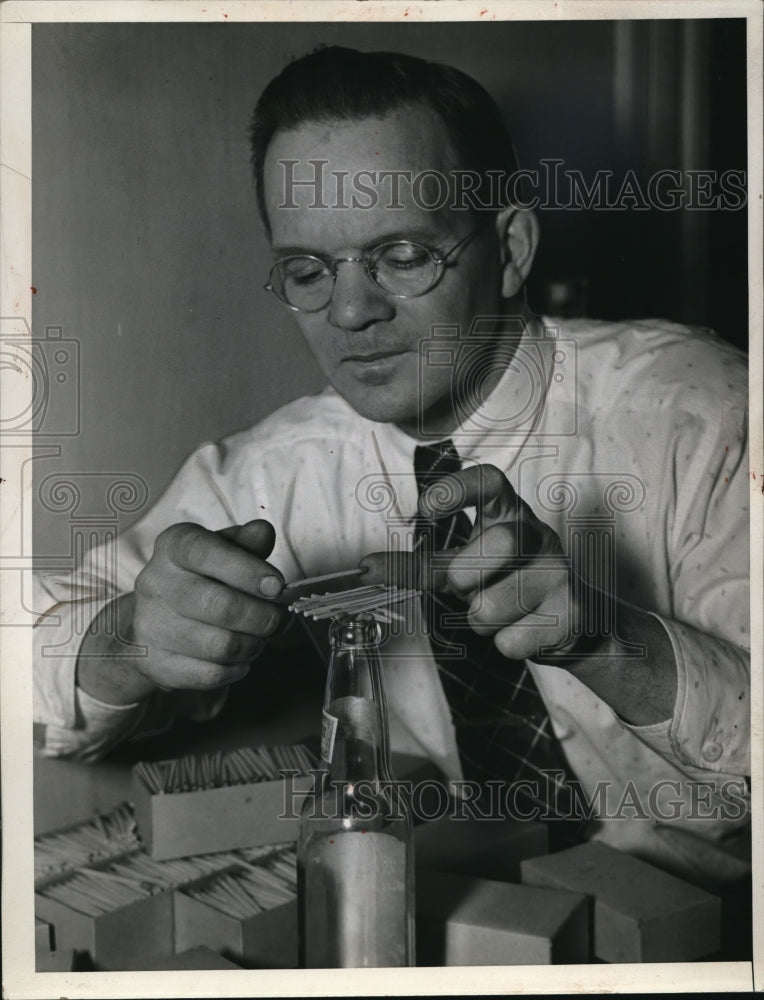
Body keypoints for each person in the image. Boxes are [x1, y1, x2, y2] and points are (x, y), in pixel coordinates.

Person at [33, 46, 750, 891]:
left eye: (403, 256)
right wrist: (125, 643)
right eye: (308, 269)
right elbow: (31, 657)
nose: (349, 312)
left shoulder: (705, 413)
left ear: (511, 249)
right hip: (473, 910)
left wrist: (607, 640)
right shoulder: (280, 469)